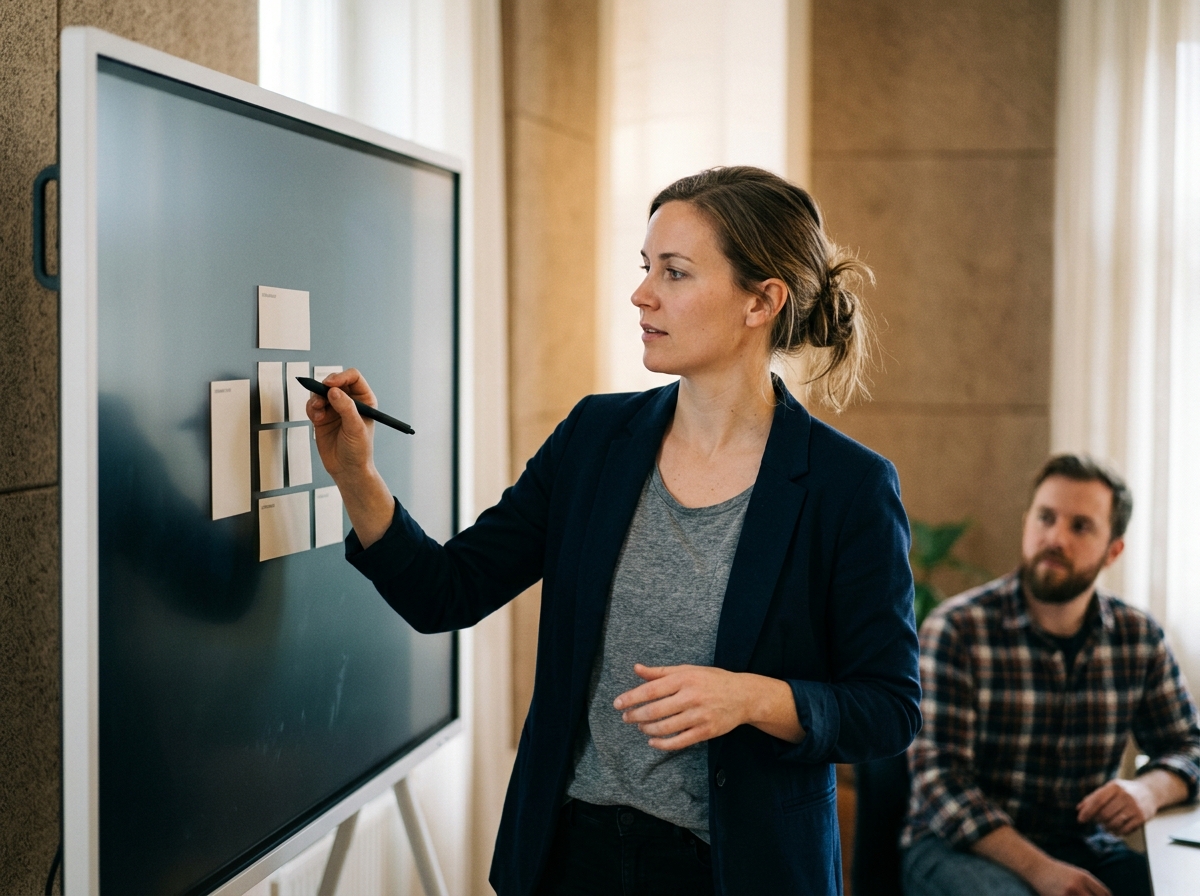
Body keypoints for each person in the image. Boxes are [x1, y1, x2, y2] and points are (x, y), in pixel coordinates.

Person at [307, 166, 921, 895]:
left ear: (763, 300)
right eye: (646, 267)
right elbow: (447, 591)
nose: (642, 293)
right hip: (570, 858)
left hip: (736, 873)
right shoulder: (595, 438)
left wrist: (751, 698)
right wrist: (356, 475)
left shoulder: (847, 487)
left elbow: (888, 709)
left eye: (676, 272)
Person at [901, 455, 1200, 896]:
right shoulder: (957, 629)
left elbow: (1189, 746)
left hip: (1082, 846)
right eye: (1046, 518)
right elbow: (941, 783)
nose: (1055, 538)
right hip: (958, 848)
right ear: (1027, 524)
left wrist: (1150, 791)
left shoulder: (1139, 638)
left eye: (1080, 526)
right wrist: (1042, 871)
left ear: (1112, 550)